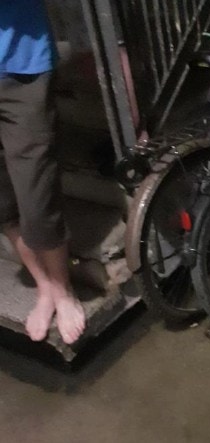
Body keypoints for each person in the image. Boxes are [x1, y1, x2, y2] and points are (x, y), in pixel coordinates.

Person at [0, 1, 85, 344]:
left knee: (37, 198)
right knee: (2, 204)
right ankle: (44, 286)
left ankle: (63, 291)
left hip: (21, 68)